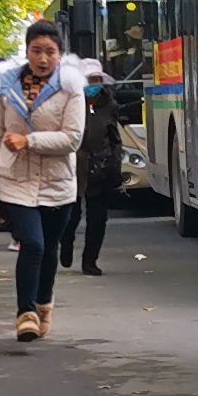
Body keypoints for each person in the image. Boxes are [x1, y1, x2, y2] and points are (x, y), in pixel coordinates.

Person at [0, 22, 86, 342]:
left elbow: (73, 139)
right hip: (16, 180)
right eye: (36, 51)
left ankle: (43, 305)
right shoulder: (3, 87)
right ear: (26, 52)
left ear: (60, 54)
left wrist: (30, 141)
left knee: (49, 247)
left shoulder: (72, 88)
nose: (43, 58)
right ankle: (25, 313)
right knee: (33, 243)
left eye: (50, 52)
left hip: (58, 183)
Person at [68, 61, 125, 276]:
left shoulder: (109, 105)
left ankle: (90, 260)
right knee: (70, 217)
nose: (94, 84)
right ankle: (66, 244)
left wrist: (114, 163)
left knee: (98, 219)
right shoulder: (71, 103)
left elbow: (115, 139)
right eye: (90, 80)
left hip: (100, 168)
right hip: (73, 168)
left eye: (97, 80)